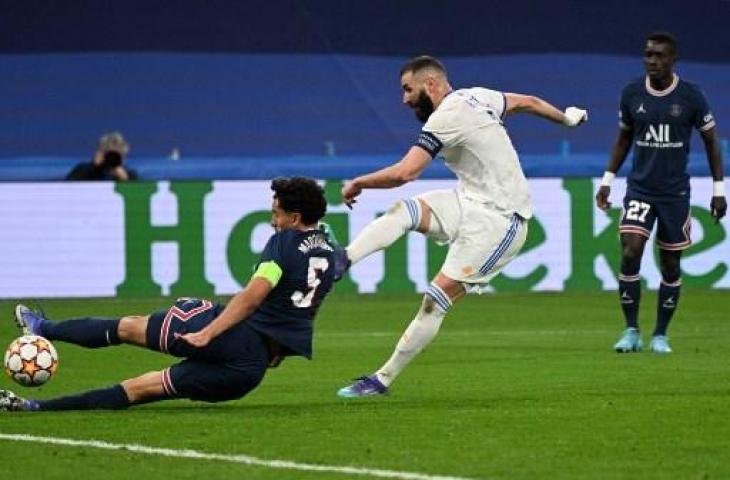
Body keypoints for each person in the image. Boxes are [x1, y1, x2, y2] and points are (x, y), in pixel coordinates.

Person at [331, 55, 587, 398]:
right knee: (405, 211)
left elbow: (406, 173)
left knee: (434, 301)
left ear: (431, 84)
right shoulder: (478, 95)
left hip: (501, 221)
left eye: (408, 89)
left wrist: (359, 182)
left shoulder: (447, 117)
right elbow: (529, 102)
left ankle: (382, 380)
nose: (404, 99)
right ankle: (341, 260)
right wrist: (567, 119)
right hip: (468, 200)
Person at [0, 177, 335, 411]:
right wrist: (278, 350)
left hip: (232, 334)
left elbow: (252, 296)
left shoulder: (283, 243)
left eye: (276, 214)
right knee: (141, 389)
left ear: (294, 217)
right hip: (249, 370)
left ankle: (42, 328)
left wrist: (208, 333)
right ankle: (34, 406)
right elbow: (309, 308)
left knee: (127, 327)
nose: (273, 221)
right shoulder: (329, 252)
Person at [596, 32, 726, 354]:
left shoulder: (691, 97)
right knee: (630, 252)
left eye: (659, 56)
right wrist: (607, 179)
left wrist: (718, 189)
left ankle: (660, 335)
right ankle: (630, 330)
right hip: (640, 189)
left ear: (672, 60)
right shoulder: (632, 93)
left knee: (670, 264)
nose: (652, 61)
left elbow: (711, 141)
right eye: (648, 55)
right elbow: (624, 138)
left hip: (674, 194)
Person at [65, 131, 138, 181]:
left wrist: (125, 180)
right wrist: (94, 167)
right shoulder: (82, 170)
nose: (112, 158)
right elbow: (66, 188)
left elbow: (140, 196)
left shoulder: (130, 175)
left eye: (116, 155)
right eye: (108, 154)